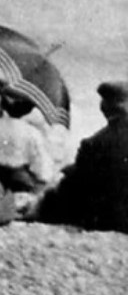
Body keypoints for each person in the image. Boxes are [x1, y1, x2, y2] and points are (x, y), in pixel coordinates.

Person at [34, 81, 128, 233]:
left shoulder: (93, 143)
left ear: (104, 108)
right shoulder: (96, 143)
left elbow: (80, 182)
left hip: (109, 218)